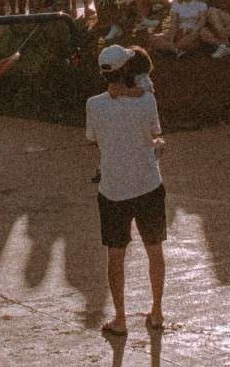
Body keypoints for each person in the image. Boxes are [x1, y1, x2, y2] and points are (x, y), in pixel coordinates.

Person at [86, 44, 165, 337]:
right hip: (148, 185)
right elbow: (155, 136)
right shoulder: (147, 101)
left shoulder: (93, 105)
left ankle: (120, 317)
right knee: (155, 250)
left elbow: (93, 140)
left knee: (115, 255)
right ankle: (156, 311)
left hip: (113, 188)